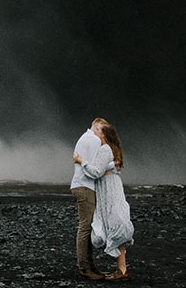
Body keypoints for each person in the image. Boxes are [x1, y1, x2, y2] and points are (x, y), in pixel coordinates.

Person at [74, 122, 135, 281]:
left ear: (104, 134)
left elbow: (95, 172)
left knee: (114, 223)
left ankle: (121, 271)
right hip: (114, 187)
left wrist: (81, 161)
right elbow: (110, 167)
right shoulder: (113, 149)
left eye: (98, 131)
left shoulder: (104, 149)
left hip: (108, 190)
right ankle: (121, 269)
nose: (95, 134)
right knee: (117, 222)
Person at [69, 118, 109, 280]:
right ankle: (84, 267)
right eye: (103, 131)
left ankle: (89, 265)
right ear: (98, 128)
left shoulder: (85, 138)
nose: (104, 135)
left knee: (87, 226)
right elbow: (93, 168)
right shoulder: (93, 140)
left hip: (82, 185)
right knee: (85, 227)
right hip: (85, 186)